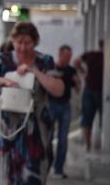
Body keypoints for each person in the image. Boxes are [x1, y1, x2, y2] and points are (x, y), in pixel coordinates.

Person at [0, 22, 64, 185]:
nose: (22, 47)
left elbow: (58, 89)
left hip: (34, 130)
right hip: (5, 129)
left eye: (27, 42)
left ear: (35, 42)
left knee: (31, 175)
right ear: (12, 41)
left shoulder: (45, 61)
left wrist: (34, 71)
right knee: (1, 174)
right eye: (18, 42)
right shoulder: (4, 60)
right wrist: (3, 80)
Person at [48, 45, 80, 179]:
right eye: (66, 56)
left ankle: (59, 169)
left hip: (65, 106)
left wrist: (77, 81)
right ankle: (46, 166)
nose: (68, 59)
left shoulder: (71, 70)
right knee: (47, 137)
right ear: (60, 55)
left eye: (70, 57)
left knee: (63, 139)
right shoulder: (51, 68)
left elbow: (78, 89)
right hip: (51, 105)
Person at [74, 40, 104, 152]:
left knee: (87, 119)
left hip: (89, 89)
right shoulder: (104, 56)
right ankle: (99, 143)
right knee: (103, 119)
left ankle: (88, 145)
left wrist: (83, 72)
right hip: (101, 91)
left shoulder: (90, 54)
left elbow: (75, 62)